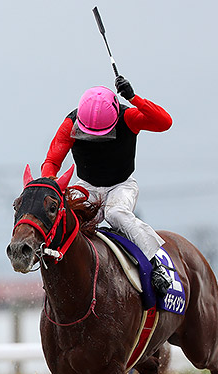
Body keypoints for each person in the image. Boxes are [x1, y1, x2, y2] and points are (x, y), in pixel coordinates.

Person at [41, 76, 173, 297]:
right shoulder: (70, 124)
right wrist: (49, 184)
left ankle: (157, 264)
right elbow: (52, 162)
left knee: (115, 213)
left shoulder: (128, 116)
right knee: (70, 221)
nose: (94, 139)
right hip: (87, 186)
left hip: (121, 185)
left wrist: (134, 98)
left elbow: (164, 122)